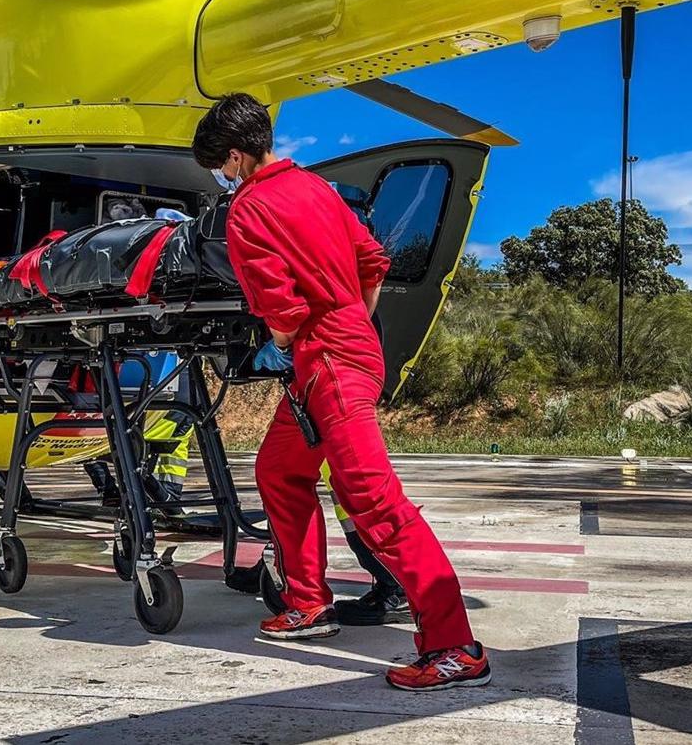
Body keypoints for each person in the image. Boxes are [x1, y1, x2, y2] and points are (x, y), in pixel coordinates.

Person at [191, 93, 489, 692]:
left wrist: (288, 340)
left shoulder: (247, 209)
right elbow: (374, 260)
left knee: (376, 502)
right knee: (279, 468)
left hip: (325, 360)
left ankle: (456, 647)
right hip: (348, 348)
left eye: (220, 167)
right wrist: (352, 317)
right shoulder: (318, 188)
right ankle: (308, 602)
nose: (222, 178)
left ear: (234, 156)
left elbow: (282, 308)